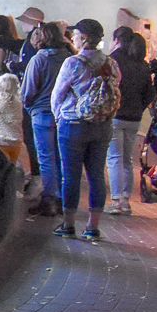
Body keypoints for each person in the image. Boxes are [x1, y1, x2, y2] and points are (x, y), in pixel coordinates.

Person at [50, 18, 119, 240]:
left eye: (76, 35)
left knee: (70, 177)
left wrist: (59, 116)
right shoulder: (111, 63)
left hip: (73, 124)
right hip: (103, 124)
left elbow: (58, 94)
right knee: (96, 175)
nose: (73, 39)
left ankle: (68, 225)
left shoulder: (73, 63)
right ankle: (93, 227)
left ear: (85, 38)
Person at [20, 21, 72, 215]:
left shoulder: (39, 59)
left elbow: (28, 91)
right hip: (63, 114)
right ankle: (63, 200)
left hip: (42, 113)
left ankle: (49, 199)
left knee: (45, 158)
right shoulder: (69, 59)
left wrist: (29, 107)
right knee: (61, 158)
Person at [107, 27, 151, 214]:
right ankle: (126, 200)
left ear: (117, 40)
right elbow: (149, 93)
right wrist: (139, 108)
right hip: (134, 118)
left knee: (114, 158)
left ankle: (115, 201)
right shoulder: (142, 64)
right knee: (127, 159)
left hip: (116, 115)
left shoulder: (113, 61)